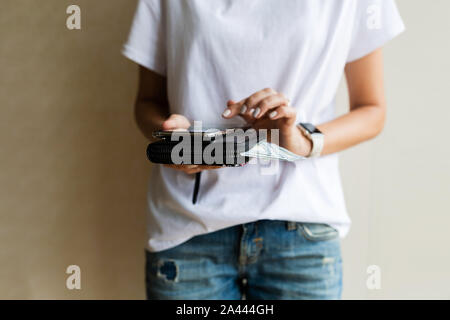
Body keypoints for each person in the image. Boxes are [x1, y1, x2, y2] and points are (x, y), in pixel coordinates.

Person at [122, 0, 404, 300]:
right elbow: (147, 102)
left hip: (302, 229)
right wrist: (173, 139)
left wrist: (302, 141)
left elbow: (372, 110)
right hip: (189, 229)